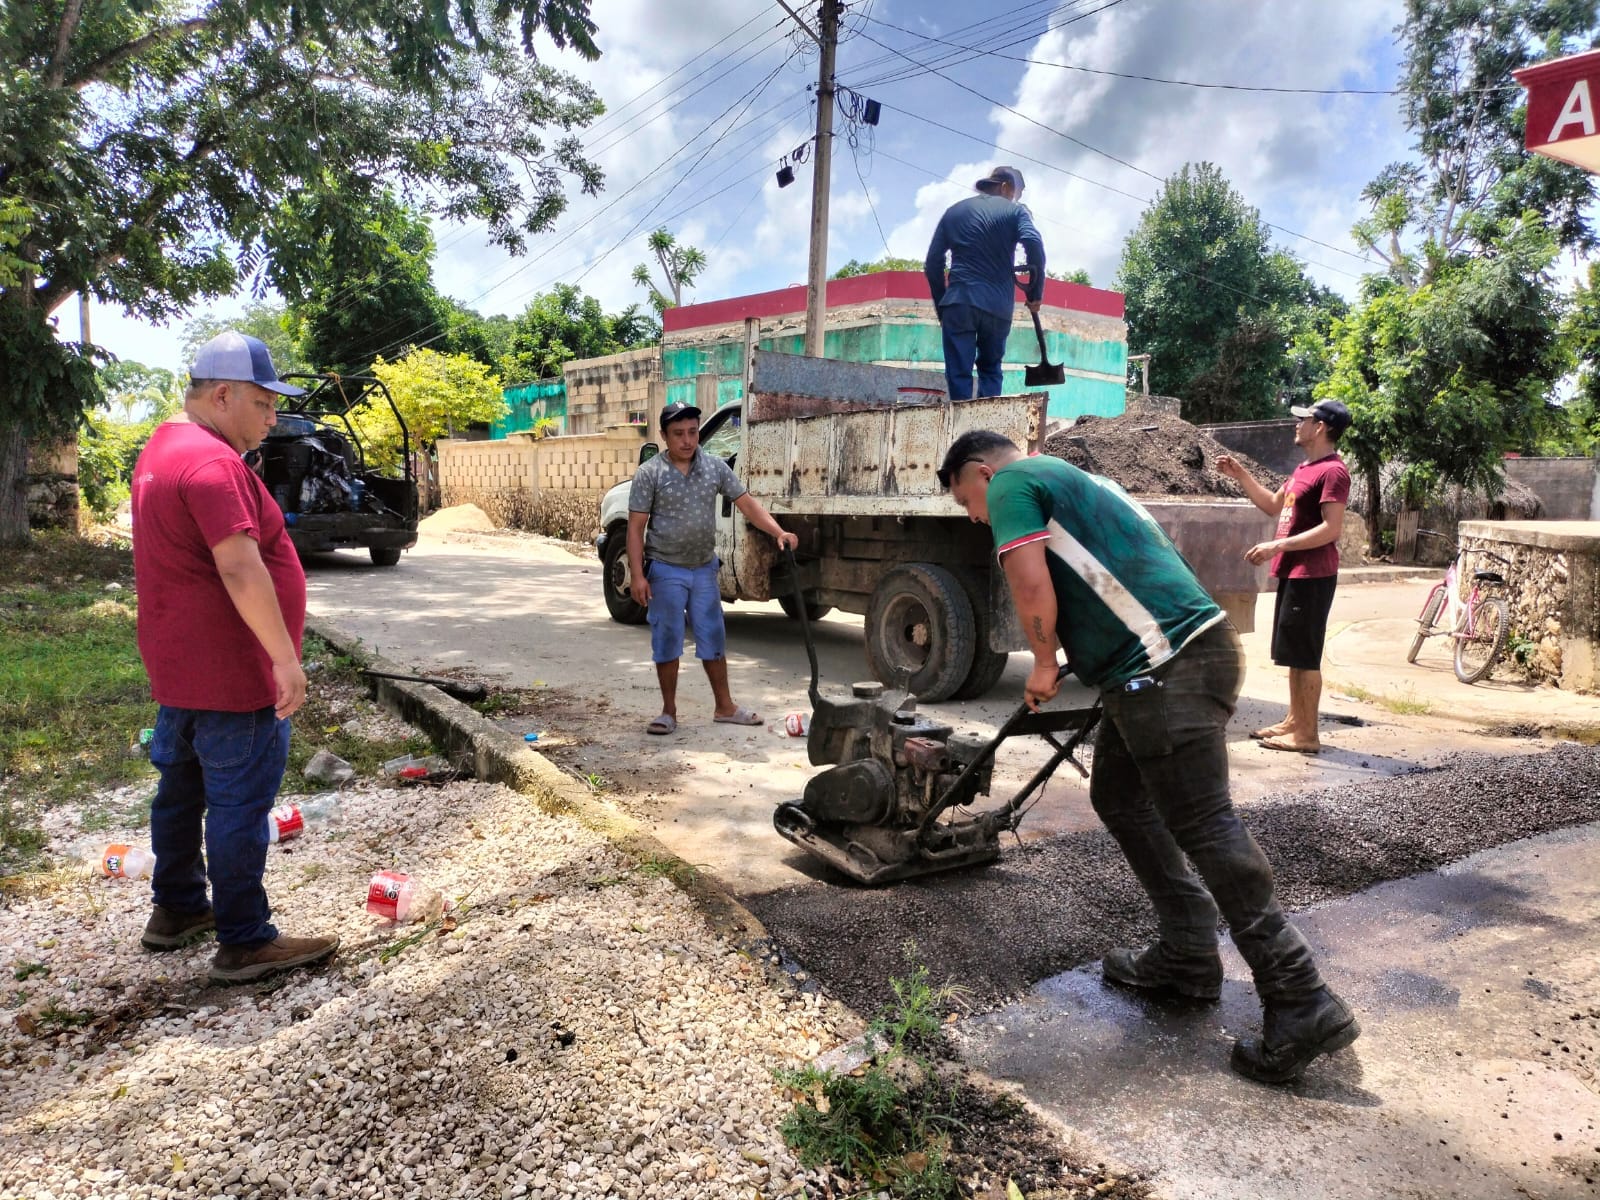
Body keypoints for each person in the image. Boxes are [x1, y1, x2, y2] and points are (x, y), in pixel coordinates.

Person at [937, 429, 1358, 1084]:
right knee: (1122, 798)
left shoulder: (1016, 482)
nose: (973, 517)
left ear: (980, 472)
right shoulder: (1086, 483)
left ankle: (1300, 996)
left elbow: (1028, 580)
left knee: (1205, 825)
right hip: (1186, 655)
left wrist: (1044, 662)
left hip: (1164, 670)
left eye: (968, 502)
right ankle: (1189, 951)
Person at [130, 331, 340, 985]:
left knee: (180, 793)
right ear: (222, 395)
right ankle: (245, 940)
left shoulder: (163, 449)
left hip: (181, 670)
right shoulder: (215, 465)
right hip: (233, 672)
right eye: (263, 402)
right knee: (237, 807)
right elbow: (240, 566)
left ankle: (178, 910)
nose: (274, 416)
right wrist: (283, 658)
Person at [627, 403, 799, 736]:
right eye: (678, 434)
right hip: (665, 568)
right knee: (667, 640)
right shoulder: (650, 473)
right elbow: (635, 528)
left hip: (704, 569)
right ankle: (668, 711)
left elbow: (747, 504)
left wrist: (779, 532)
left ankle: (725, 707)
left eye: (693, 432)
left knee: (713, 637)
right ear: (664, 436)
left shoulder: (715, 468)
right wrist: (637, 575)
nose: (688, 440)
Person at [1216, 400, 1352, 754]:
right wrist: (1241, 474)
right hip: (1295, 572)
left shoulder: (1333, 472)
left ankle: (1307, 736)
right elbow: (1274, 506)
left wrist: (1277, 547)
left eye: (1302, 420)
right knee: (1293, 653)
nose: (1296, 425)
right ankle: (1295, 721)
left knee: (1305, 655)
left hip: (1314, 573)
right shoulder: (1303, 469)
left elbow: (1331, 529)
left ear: (1320, 427)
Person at [924, 165, 1045, 401]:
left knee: (958, 374)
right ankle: (987, 430)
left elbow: (932, 264)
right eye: (1014, 193)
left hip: (958, 304)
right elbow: (1033, 243)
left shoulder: (954, 212)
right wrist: (1035, 293)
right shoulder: (1015, 212)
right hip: (997, 308)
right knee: (990, 370)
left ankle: (962, 433)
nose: (1014, 198)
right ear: (1005, 186)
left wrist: (943, 307)